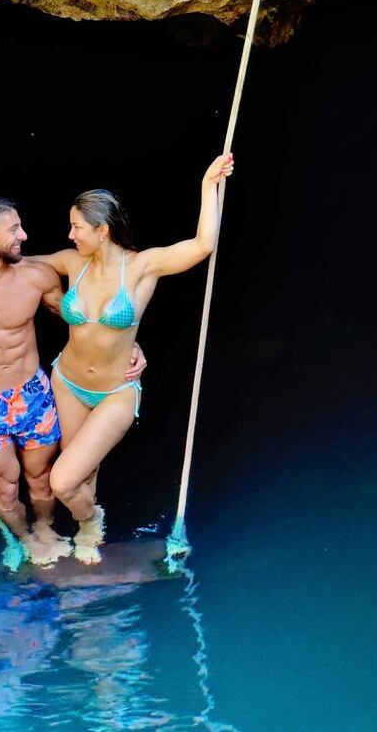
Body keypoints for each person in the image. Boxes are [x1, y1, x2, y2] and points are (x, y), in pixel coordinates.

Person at [0, 156, 146, 566]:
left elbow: (83, 320)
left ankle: (47, 530)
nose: (24, 235)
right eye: (14, 229)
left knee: (41, 480)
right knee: (5, 488)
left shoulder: (36, 275)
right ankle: (24, 539)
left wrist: (129, 346)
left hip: (33, 393)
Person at [30, 153, 235, 564]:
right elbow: (15, 265)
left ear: (102, 230)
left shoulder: (141, 267)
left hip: (115, 391)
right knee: (82, 475)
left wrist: (207, 184)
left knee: (63, 480)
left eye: (76, 226)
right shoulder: (72, 263)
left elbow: (203, 245)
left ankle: (90, 522)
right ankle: (87, 522)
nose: (70, 234)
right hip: (67, 382)